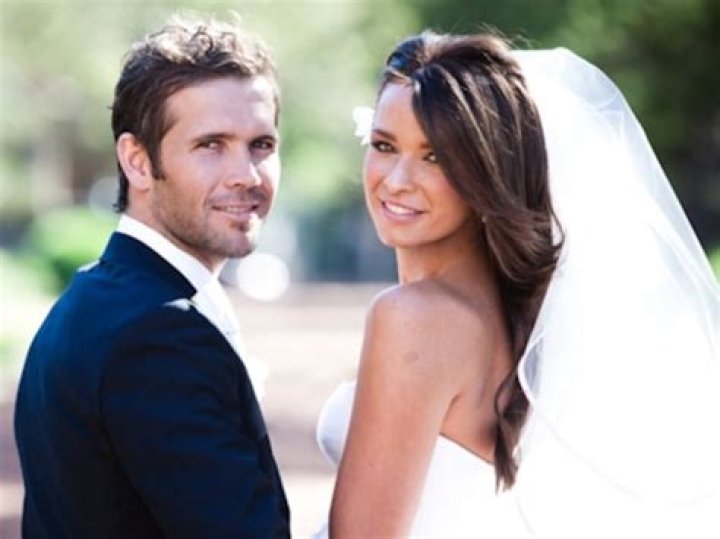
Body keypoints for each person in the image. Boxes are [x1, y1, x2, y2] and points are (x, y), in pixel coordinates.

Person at [315, 31, 720, 537]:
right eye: (384, 145)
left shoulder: (413, 318)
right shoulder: (507, 313)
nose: (396, 179)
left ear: (487, 172)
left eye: (435, 156)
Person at [14, 14, 290, 538]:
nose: (246, 175)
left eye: (261, 145)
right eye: (211, 144)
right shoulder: (159, 333)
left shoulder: (93, 297)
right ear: (137, 161)